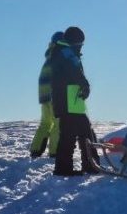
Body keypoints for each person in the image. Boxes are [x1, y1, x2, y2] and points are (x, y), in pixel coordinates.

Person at [50, 26, 99, 176]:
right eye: (80, 43)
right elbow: (74, 73)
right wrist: (85, 85)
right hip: (67, 100)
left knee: (84, 130)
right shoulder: (66, 53)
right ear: (75, 41)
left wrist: (83, 86)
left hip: (72, 100)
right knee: (70, 133)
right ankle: (64, 167)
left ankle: (90, 164)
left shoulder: (65, 52)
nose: (81, 46)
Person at [30, 31, 63, 159]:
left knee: (45, 122)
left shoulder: (49, 56)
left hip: (44, 95)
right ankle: (54, 151)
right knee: (57, 122)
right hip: (53, 94)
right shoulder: (58, 55)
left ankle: (36, 149)